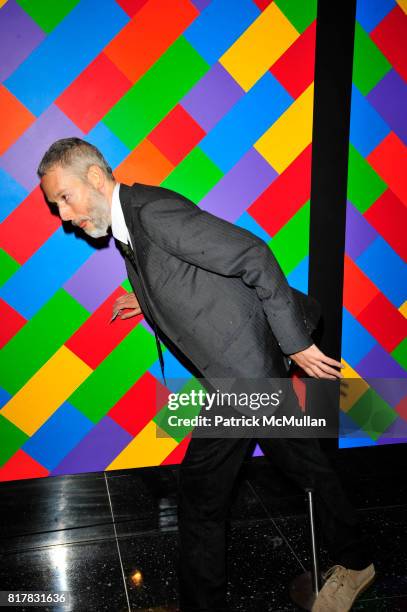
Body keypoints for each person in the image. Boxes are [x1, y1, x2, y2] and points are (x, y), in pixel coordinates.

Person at [38, 138, 375, 612]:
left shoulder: (151, 213)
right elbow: (191, 273)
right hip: (240, 372)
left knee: (204, 491)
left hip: (248, 374)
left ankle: (337, 568)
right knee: (301, 467)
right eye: (56, 206)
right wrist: (147, 299)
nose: (64, 216)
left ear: (94, 178)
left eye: (64, 199)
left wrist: (294, 342)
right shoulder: (129, 223)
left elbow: (252, 256)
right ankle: (355, 559)